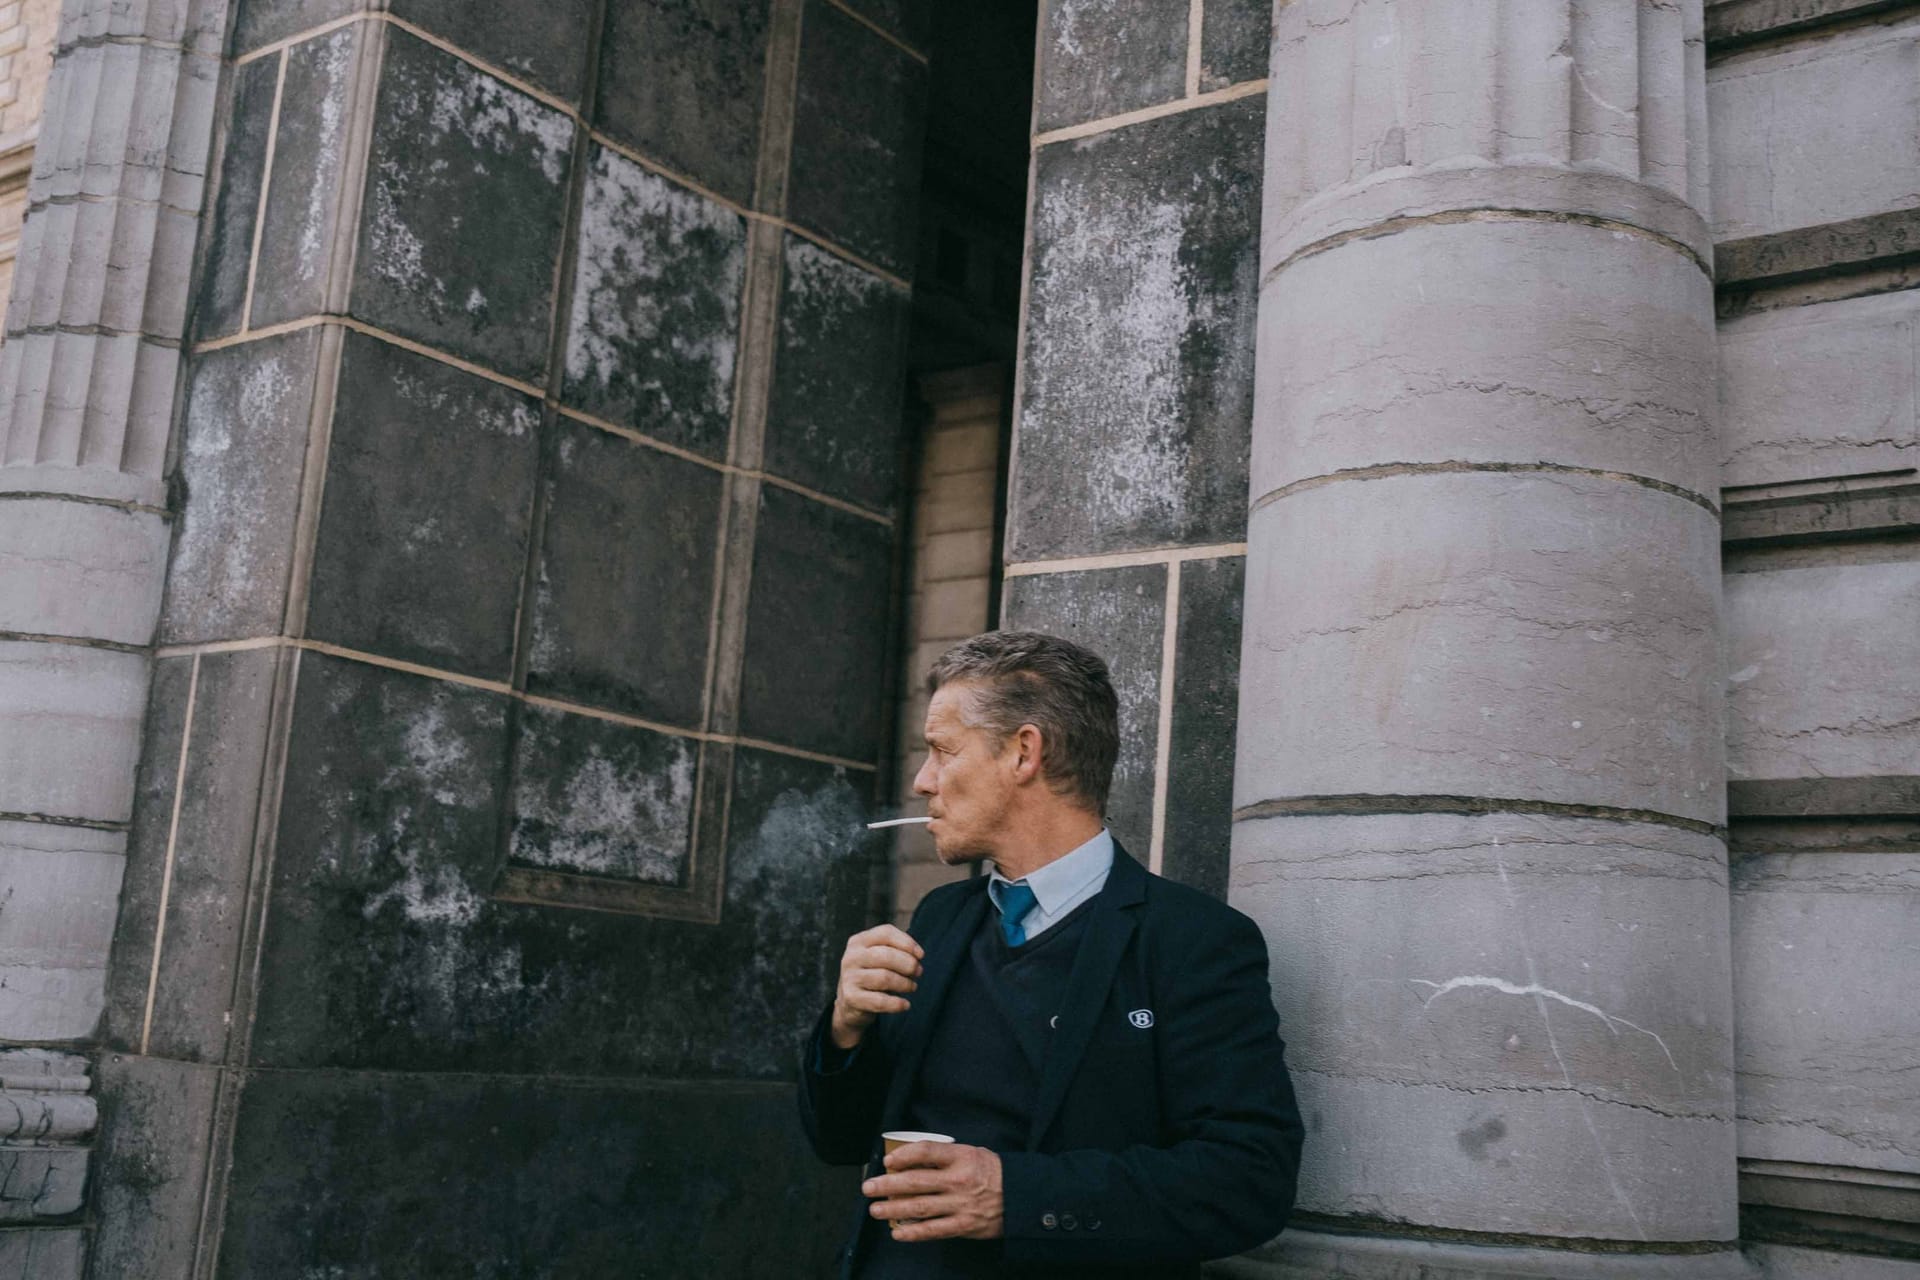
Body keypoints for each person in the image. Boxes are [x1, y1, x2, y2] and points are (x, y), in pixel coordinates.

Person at [798, 630, 1305, 1278]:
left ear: (1024, 752)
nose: (923, 781)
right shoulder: (939, 918)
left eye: (942, 750)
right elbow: (839, 1141)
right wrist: (845, 1029)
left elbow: (1250, 1181)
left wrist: (1018, 1197)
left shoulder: (1191, 941)